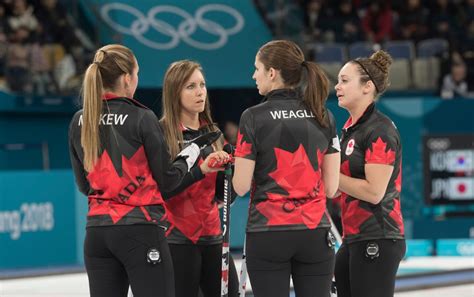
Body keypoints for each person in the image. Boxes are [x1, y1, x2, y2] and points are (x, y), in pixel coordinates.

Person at [68, 45, 222, 297]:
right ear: (128, 78)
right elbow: (169, 182)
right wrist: (193, 153)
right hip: (140, 230)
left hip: (97, 234)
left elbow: (85, 186)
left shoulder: (79, 120)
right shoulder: (141, 117)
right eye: (137, 73)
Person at [232, 40, 341, 297]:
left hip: (269, 233)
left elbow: (241, 185)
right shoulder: (324, 115)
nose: (253, 75)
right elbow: (332, 187)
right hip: (314, 232)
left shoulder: (252, 117)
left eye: (257, 68)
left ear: (272, 72)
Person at [159, 60, 239, 297]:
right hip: (177, 238)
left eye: (202, 85)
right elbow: (163, 188)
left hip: (213, 236)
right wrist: (201, 170)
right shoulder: (161, 133)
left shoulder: (213, 133)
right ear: (175, 92)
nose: (200, 92)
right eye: (190, 86)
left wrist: (229, 171)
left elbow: (224, 197)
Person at [333, 50, 406, 297]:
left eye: (344, 80)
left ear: (367, 87)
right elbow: (336, 187)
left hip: (379, 235)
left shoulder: (379, 130)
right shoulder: (350, 129)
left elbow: (374, 192)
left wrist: (330, 175)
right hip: (353, 236)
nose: (337, 86)